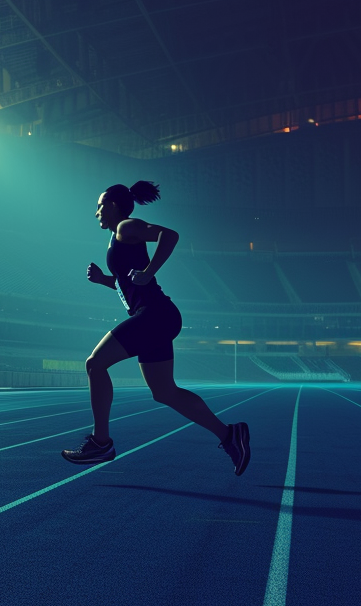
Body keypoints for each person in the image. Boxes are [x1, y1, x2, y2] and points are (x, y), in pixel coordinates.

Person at [61, 180, 251, 474]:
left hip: (155, 315)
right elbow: (130, 284)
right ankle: (229, 435)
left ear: (112, 205)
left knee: (95, 364)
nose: (96, 212)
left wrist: (150, 272)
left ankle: (101, 443)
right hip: (156, 317)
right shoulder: (117, 236)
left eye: (99, 205)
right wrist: (104, 281)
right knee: (164, 392)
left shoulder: (126, 226)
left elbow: (169, 235)